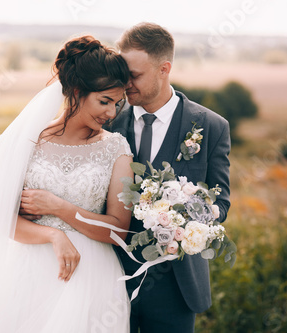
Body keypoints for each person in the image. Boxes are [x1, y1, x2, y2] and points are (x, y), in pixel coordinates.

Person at [0, 35, 134, 333]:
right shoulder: (28, 142)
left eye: (117, 103)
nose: (112, 113)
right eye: (104, 101)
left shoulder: (116, 148)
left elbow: (118, 231)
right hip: (24, 275)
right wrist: (53, 235)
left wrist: (60, 208)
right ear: (76, 91)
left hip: (92, 279)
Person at [104, 22, 231, 333]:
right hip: (108, 278)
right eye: (123, 75)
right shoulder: (105, 123)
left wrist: (180, 218)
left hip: (177, 285)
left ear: (164, 69)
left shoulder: (211, 126)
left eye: (134, 76)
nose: (126, 84)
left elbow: (221, 203)